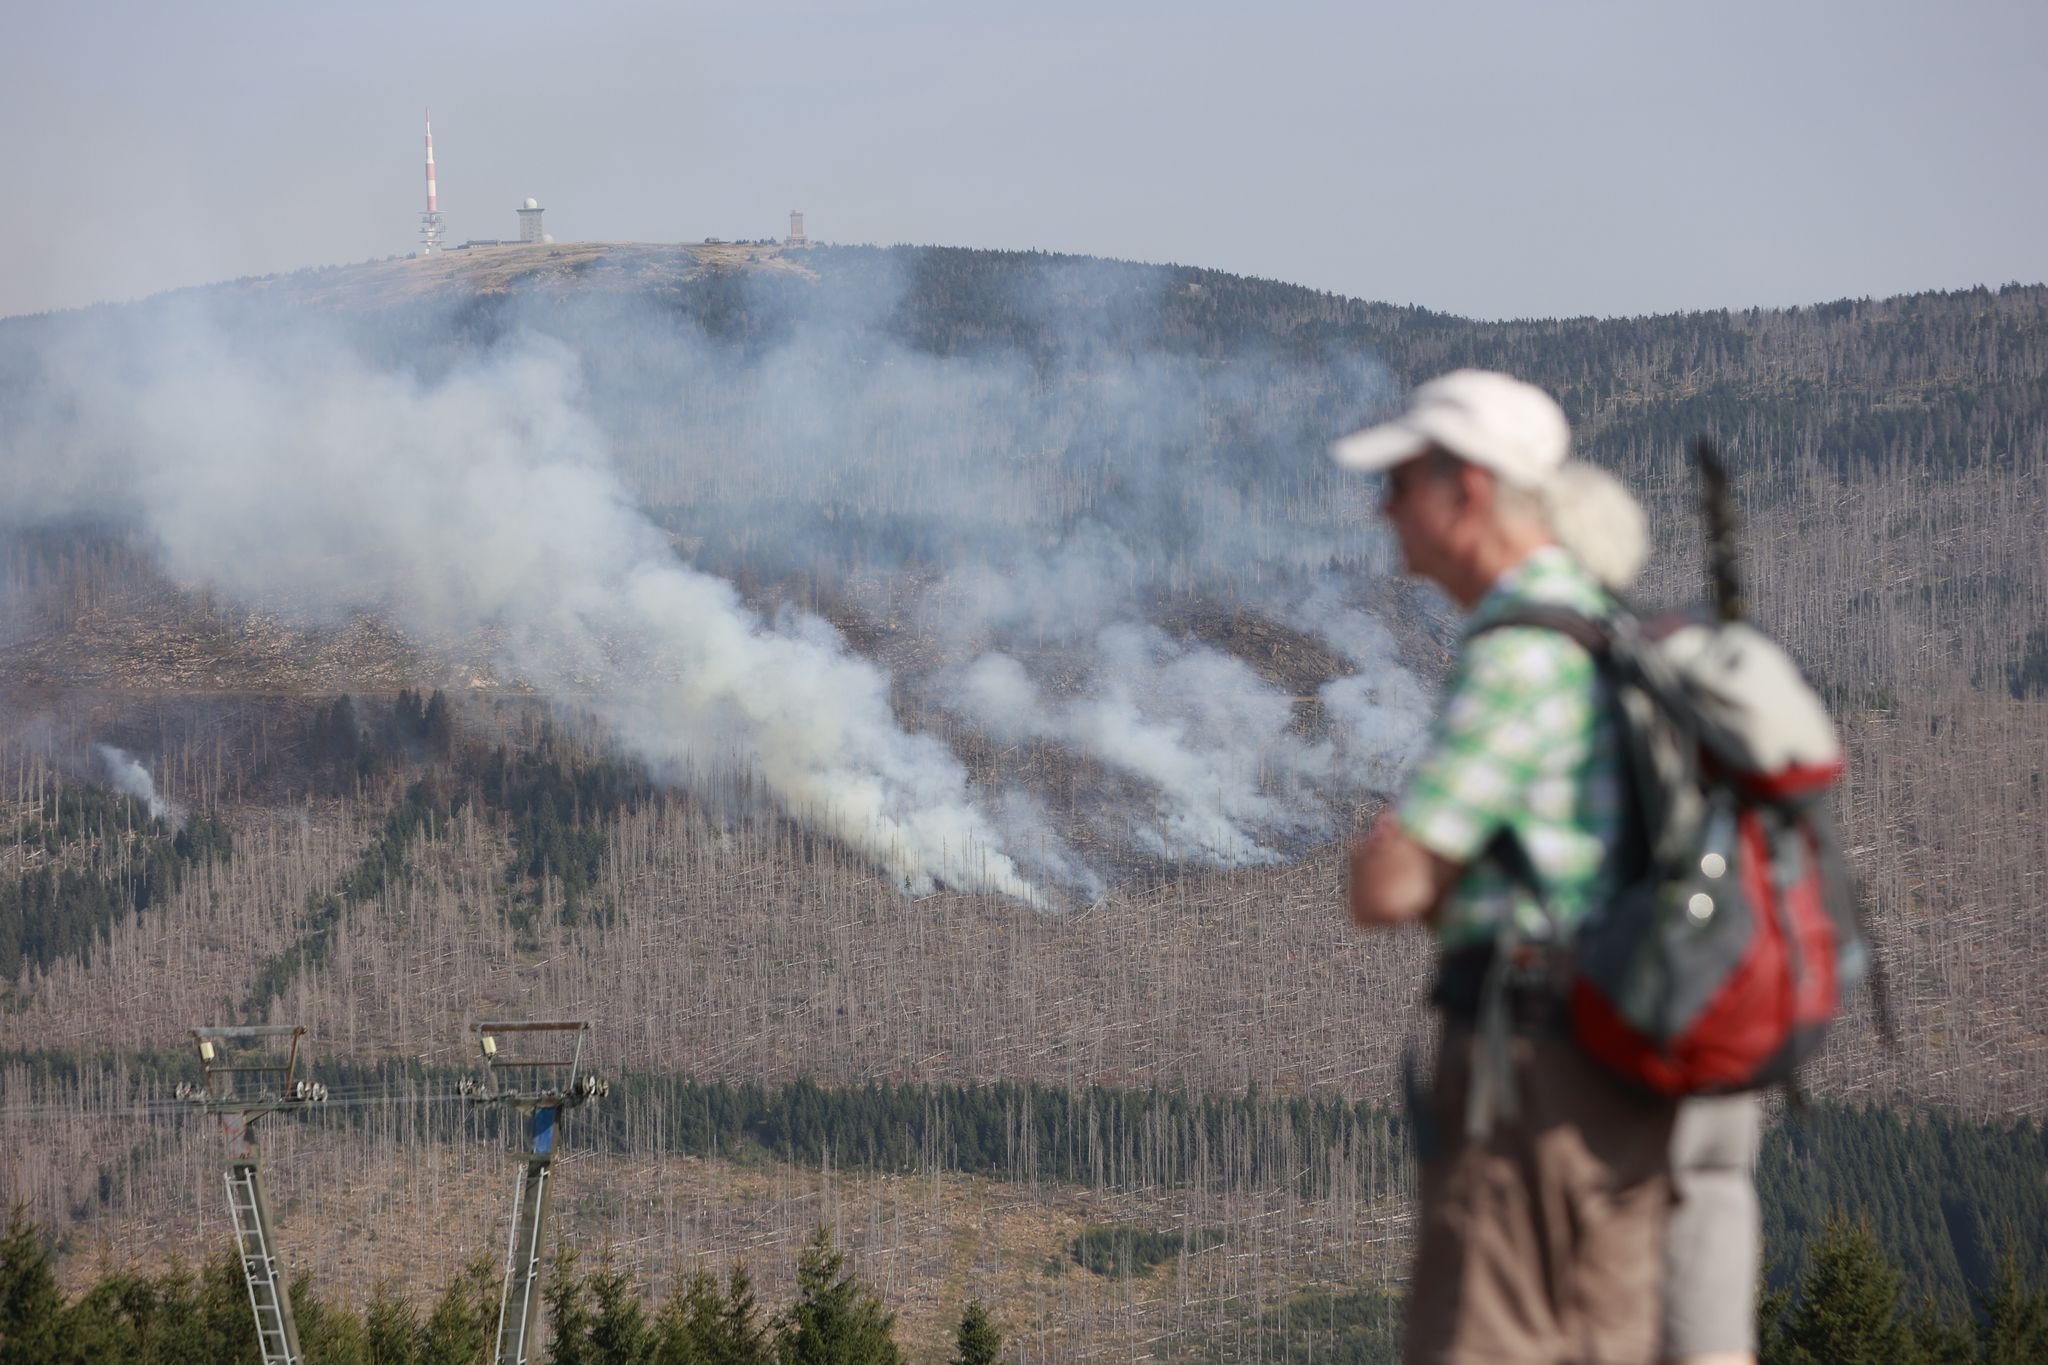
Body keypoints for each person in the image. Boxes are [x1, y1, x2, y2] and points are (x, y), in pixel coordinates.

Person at [1334, 369, 1678, 1363]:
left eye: (1398, 483)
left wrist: (1387, 856)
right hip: (1616, 1052)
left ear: (1467, 491)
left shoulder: (1517, 650)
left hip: (1529, 1062)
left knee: (1480, 1338)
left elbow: (1386, 888)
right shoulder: (1600, 623)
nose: (1383, 509)